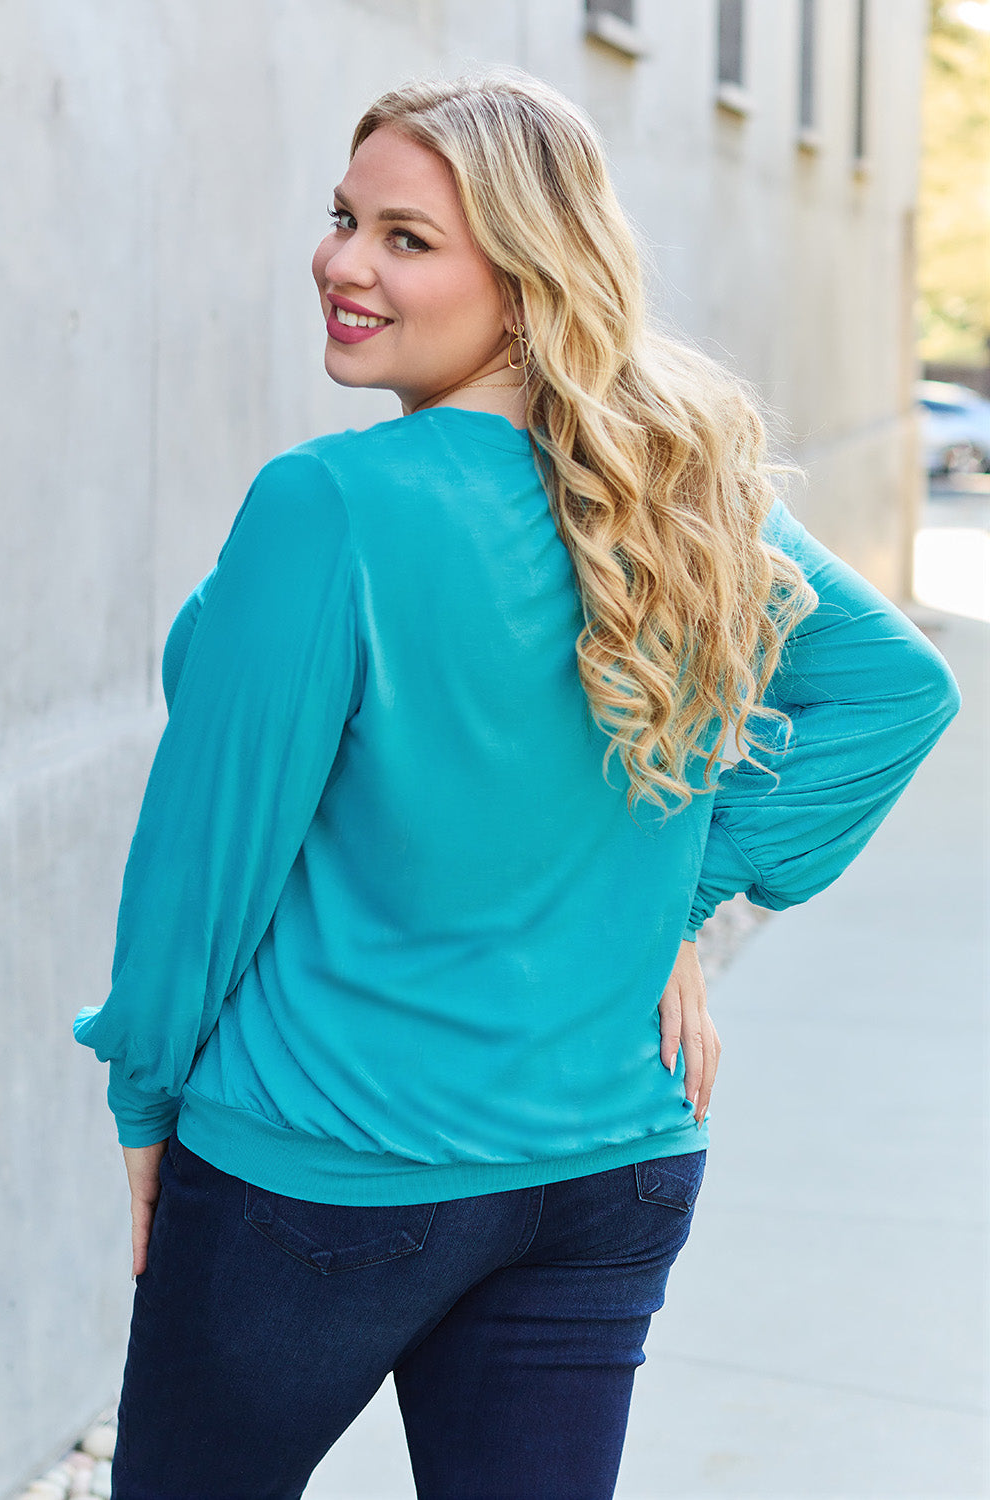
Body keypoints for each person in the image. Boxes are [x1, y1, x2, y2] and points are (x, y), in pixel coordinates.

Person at [73, 67, 959, 1500]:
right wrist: (685, 900)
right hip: (608, 1165)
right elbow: (893, 695)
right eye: (343, 216)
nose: (343, 263)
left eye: (407, 238)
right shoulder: (685, 485)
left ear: (530, 272)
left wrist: (143, 1103)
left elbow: (202, 865)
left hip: (323, 1173)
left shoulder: (333, 502)